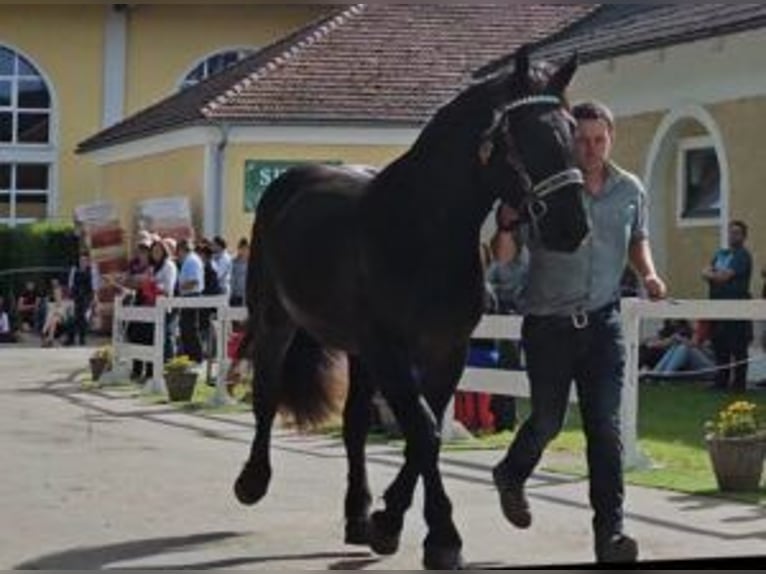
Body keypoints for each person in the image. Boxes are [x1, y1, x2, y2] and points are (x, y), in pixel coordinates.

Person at [492, 100, 666, 564]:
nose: (590, 149)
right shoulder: (546, 190)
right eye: (582, 139)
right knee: (547, 421)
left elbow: (636, 238)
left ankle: (610, 535)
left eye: (598, 139)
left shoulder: (630, 189)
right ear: (570, 141)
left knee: (604, 432)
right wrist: (506, 228)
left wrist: (648, 274)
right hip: (549, 327)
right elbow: (506, 259)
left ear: (611, 139)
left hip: (603, 325)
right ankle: (511, 473)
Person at [485, 202, 528, 432]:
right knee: (508, 357)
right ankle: (504, 416)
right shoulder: (498, 249)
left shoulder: (531, 248)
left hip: (530, 308)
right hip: (504, 310)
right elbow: (489, 279)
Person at [702, 220, 753, 393]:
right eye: (731, 232)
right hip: (717, 306)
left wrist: (714, 275)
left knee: (738, 346)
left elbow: (724, 277)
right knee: (719, 344)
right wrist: (714, 274)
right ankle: (721, 381)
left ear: (744, 236)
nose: (733, 235)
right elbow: (705, 272)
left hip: (737, 307)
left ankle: (739, 384)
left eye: (737, 232)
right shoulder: (721, 254)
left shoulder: (742, 256)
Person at [177, 238, 205, 363]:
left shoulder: (191, 260)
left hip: (191, 296)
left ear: (182, 250)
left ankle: (196, 357)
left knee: (190, 328)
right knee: (187, 328)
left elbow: (194, 281)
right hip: (190, 296)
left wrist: (179, 288)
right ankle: (193, 356)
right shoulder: (192, 259)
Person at [66, 253, 97, 346]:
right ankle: (71, 338)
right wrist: (70, 296)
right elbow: (70, 284)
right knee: (73, 317)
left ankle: (81, 339)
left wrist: (94, 298)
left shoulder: (91, 271)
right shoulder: (74, 270)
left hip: (86, 296)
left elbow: (94, 285)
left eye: (84, 261)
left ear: (87, 262)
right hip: (76, 296)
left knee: (82, 317)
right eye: (81, 261)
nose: (82, 262)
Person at [229, 237, 249, 307]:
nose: (243, 251)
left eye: (245, 249)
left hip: (247, 294)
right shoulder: (234, 262)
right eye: (241, 248)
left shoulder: (252, 263)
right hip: (236, 294)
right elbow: (232, 278)